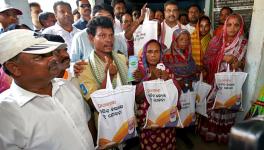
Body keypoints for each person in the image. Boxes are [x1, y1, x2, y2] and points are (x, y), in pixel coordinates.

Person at [0, 29, 95, 150]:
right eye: (39, 56)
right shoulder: (5, 113)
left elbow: (87, 122)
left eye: (51, 53)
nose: (53, 59)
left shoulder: (67, 86)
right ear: (14, 68)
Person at [200, 14, 248, 144]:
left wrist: (238, 63)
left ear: (241, 27)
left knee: (226, 107)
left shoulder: (243, 42)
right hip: (214, 80)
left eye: (236, 25)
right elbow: (206, 59)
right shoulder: (216, 40)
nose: (232, 28)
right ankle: (210, 133)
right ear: (225, 26)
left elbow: (244, 63)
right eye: (229, 24)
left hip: (230, 81)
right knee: (213, 107)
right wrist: (222, 57)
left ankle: (222, 136)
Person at [133, 39, 180, 149]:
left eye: (156, 51)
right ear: (145, 53)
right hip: (147, 120)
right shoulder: (139, 71)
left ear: (161, 53)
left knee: (166, 142)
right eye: (149, 52)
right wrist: (150, 79)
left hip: (165, 117)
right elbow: (137, 98)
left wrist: (168, 79)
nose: (153, 55)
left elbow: (177, 92)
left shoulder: (166, 70)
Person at [77, 16, 128, 109]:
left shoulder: (122, 58)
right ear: (91, 38)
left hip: (130, 116)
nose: (109, 40)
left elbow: (131, 87)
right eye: (102, 35)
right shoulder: (84, 68)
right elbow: (93, 104)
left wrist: (137, 78)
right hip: (108, 121)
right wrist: (109, 77)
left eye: (111, 35)